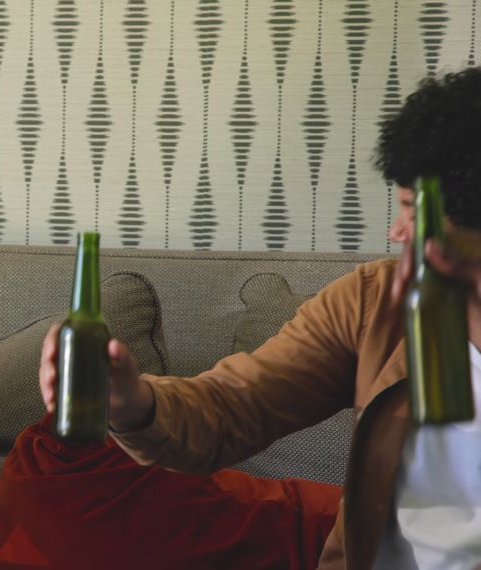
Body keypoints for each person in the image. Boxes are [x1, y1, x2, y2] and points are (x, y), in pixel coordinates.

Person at [39, 67, 481, 569]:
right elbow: (232, 408)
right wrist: (132, 401)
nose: (397, 231)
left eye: (413, 212)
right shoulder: (372, 304)